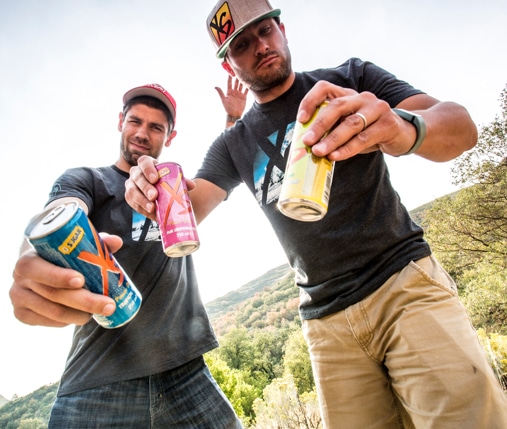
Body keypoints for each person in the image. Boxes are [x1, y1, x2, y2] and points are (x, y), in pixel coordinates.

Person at [124, 0, 507, 428]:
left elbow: (460, 128)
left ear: (282, 29)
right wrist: (149, 192)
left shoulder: (349, 79)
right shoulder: (233, 143)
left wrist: (401, 128)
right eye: (242, 44)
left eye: (265, 30)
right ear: (230, 65)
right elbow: (191, 208)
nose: (260, 46)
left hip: (403, 285)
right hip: (326, 326)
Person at [9, 83, 242, 428]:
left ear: (170, 137)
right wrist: (33, 257)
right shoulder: (88, 180)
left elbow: (224, 169)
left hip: (186, 376)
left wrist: (233, 119)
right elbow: (59, 212)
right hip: (98, 384)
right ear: (120, 121)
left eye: (155, 127)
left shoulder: (175, 198)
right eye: (135, 121)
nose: (142, 133)